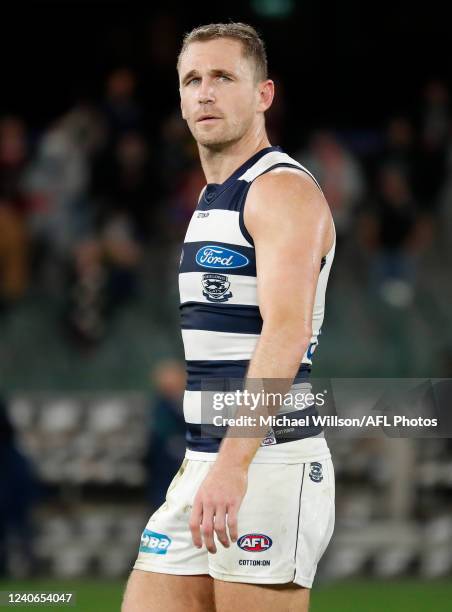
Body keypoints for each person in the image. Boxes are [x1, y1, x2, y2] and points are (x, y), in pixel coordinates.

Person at [123, 22, 336, 612]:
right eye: (193, 79)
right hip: (204, 462)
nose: (205, 92)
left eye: (223, 77)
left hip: (265, 462)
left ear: (264, 94)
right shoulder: (214, 195)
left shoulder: (281, 189)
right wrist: (212, 465)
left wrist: (234, 463)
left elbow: (287, 332)